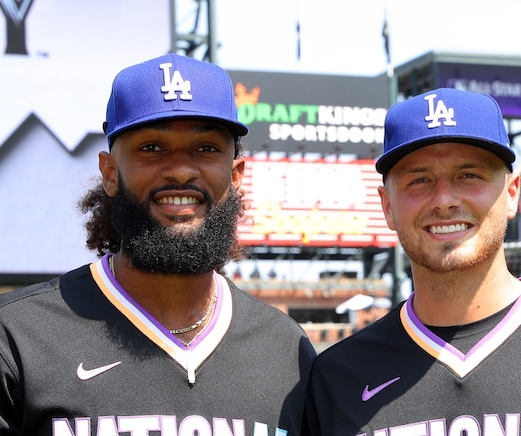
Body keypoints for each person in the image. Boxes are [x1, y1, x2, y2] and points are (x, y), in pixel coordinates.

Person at [0, 54, 316, 435]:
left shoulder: (286, 349)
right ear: (110, 173)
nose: (181, 169)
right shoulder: (17, 335)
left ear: (235, 175)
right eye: (152, 147)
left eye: (206, 148)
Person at [303, 88, 521, 435]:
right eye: (419, 180)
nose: (445, 200)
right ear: (387, 206)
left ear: (511, 193)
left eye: (470, 175)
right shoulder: (336, 377)